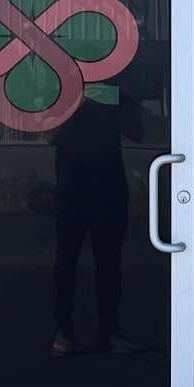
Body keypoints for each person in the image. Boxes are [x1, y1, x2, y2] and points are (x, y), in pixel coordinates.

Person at [50, 90, 144, 356]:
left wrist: (112, 105)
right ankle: (63, 330)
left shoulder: (112, 94)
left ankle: (109, 332)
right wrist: (75, 104)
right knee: (66, 263)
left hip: (108, 191)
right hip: (73, 191)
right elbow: (50, 135)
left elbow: (137, 132)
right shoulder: (64, 92)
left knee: (109, 265)